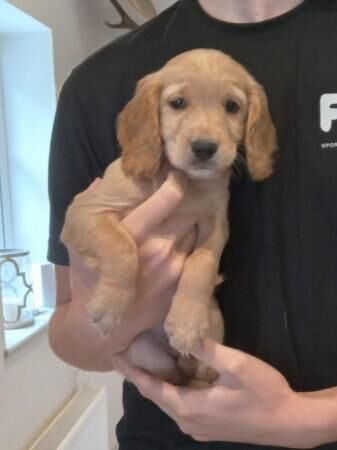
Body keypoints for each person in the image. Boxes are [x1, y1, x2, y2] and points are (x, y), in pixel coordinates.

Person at [48, 0, 337, 448]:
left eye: (231, 107)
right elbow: (70, 338)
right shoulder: (94, 84)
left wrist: (307, 419)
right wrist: (126, 295)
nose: (205, 133)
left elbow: (213, 234)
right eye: (178, 103)